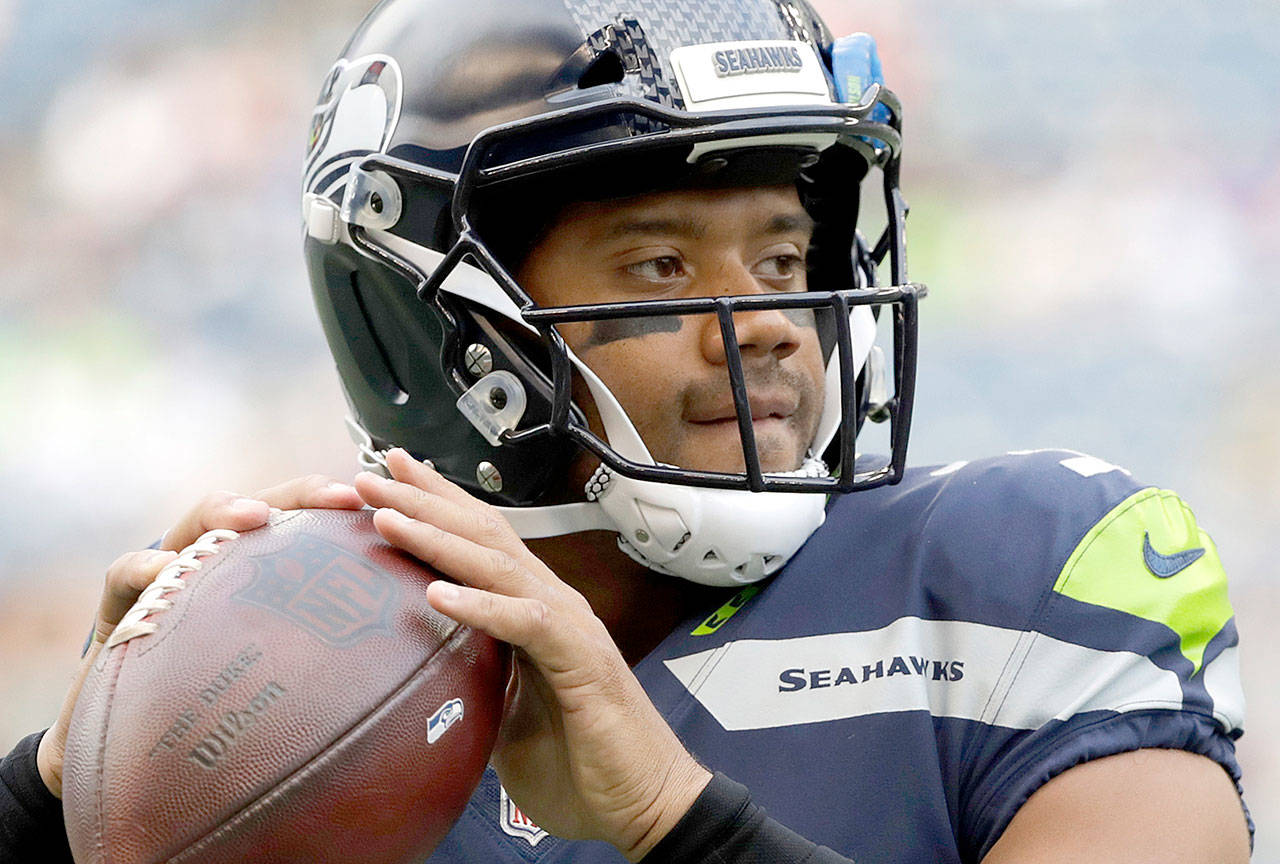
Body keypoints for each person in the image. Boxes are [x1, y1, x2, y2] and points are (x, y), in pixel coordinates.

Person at [0, 0, 1252, 861]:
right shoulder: (324, 677)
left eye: (782, 257)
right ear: (442, 328)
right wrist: (68, 788)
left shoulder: (1014, 566)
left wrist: (670, 818)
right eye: (658, 267)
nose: (762, 322)